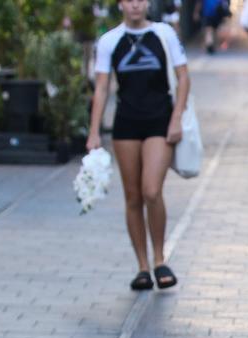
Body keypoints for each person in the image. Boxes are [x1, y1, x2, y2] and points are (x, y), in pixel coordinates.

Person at [88, 0, 190, 290]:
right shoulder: (109, 41)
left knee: (151, 190)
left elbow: (183, 79)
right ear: (121, 4)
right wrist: (94, 131)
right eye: (129, 0)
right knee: (133, 197)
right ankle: (142, 266)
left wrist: (176, 118)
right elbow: (103, 87)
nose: (135, 5)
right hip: (126, 123)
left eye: (140, 0)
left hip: (159, 120)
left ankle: (160, 259)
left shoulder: (164, 34)